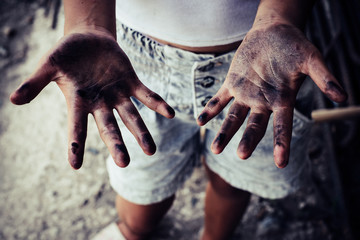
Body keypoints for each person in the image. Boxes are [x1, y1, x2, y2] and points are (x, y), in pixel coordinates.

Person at [10, 0, 347, 239]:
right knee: (142, 181)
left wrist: (282, 16)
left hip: (259, 62)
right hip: (128, 62)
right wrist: (87, 22)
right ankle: (133, 231)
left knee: (232, 177)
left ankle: (214, 236)